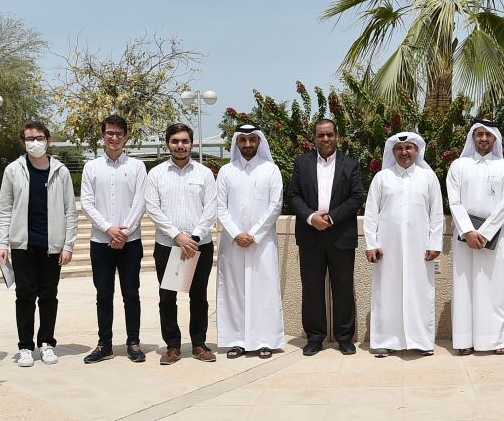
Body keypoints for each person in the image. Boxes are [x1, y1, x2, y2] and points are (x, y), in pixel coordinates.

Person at [0, 121, 79, 368]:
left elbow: (70, 211)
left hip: (52, 246)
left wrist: (68, 245)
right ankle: (25, 346)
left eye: (40, 138)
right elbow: (5, 209)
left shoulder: (61, 171)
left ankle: (46, 343)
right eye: (30, 139)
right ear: (23, 142)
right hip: (23, 245)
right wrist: (2, 243)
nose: (35, 143)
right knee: (24, 296)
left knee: (48, 296)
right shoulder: (13, 170)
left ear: (48, 141)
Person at [287, 119, 367, 356]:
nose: (325, 139)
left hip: (341, 235)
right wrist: (311, 217)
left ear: (337, 136)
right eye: (321, 135)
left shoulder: (350, 164)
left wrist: (331, 218)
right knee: (312, 289)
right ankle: (314, 338)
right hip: (310, 236)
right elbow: (293, 195)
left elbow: (357, 197)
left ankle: (344, 337)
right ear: (314, 137)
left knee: (343, 288)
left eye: (329, 134)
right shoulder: (302, 163)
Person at [364, 132, 444, 357]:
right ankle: (385, 340)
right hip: (387, 247)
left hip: (420, 247)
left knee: (420, 292)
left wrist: (434, 242)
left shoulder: (428, 177)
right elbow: (371, 213)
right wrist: (371, 243)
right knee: (386, 292)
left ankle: (422, 341)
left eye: (408, 148)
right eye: (399, 149)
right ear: (393, 152)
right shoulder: (382, 177)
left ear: (417, 151)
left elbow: (437, 213)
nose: (404, 152)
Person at [145, 123, 218, 365]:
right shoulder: (156, 174)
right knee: (168, 297)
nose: (180, 146)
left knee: (198, 297)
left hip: (199, 245)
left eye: (185, 141)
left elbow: (211, 208)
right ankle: (173, 346)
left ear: (191, 144)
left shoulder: (204, 174)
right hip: (169, 245)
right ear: (168, 144)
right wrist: (178, 236)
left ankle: (198, 344)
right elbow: (153, 209)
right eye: (175, 141)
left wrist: (193, 238)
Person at [80, 115, 148, 364]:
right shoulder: (91, 167)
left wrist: (124, 232)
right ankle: (104, 344)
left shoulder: (137, 167)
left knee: (131, 294)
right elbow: (87, 203)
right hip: (101, 242)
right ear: (102, 136)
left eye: (119, 134)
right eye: (110, 133)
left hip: (130, 242)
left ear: (126, 137)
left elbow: (140, 202)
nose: (114, 138)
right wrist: (109, 228)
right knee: (103, 295)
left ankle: (133, 342)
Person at [215, 125, 285, 359]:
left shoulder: (271, 170)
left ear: (259, 142)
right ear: (236, 143)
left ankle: (265, 340)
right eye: (242, 140)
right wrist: (236, 234)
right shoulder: (226, 171)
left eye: (252, 139)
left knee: (264, 291)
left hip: (262, 244)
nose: (247, 144)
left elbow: (275, 205)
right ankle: (236, 341)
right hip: (232, 243)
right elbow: (220, 207)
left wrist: (253, 234)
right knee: (234, 292)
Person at [448, 119, 504, 355]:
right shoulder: (459, 165)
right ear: (472, 137)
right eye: (479, 134)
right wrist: (468, 231)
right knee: (464, 287)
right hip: (464, 238)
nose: (484, 138)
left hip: (493, 237)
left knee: (494, 287)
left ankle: (495, 340)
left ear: (495, 138)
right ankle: (464, 341)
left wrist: (485, 234)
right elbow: (454, 201)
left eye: (488, 134)